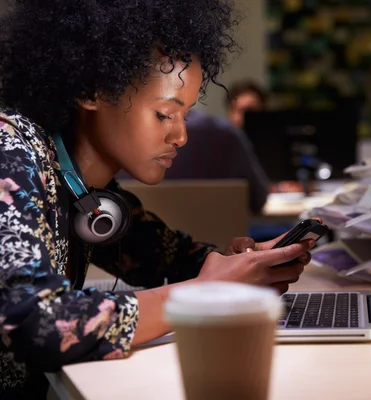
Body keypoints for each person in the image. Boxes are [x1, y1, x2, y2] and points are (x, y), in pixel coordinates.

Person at [0, 1, 316, 398]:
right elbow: (34, 321)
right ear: (91, 91)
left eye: (186, 115)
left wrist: (236, 268)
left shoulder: (88, 191)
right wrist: (204, 293)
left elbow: (166, 257)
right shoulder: (12, 157)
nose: (180, 137)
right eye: (165, 114)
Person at [117, 107, 271, 214]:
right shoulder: (227, 135)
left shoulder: (120, 140)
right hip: (222, 253)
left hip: (139, 255)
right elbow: (258, 200)